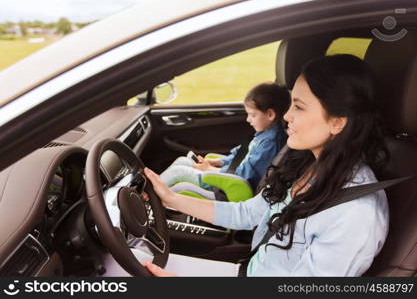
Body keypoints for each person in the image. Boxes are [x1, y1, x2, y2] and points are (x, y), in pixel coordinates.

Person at [143, 54, 389, 276]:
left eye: (299, 107)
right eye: (291, 103)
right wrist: (172, 199)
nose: (286, 116)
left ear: (337, 123)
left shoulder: (354, 214)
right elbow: (248, 213)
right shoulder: (308, 165)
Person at [159, 82, 290, 191]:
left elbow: (244, 175)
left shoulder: (269, 143)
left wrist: (209, 169)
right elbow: (239, 156)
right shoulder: (264, 134)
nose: (248, 119)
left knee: (178, 173)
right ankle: (151, 191)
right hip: (229, 177)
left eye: (253, 115)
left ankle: (147, 195)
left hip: (231, 186)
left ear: (270, 115)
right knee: (183, 161)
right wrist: (216, 162)